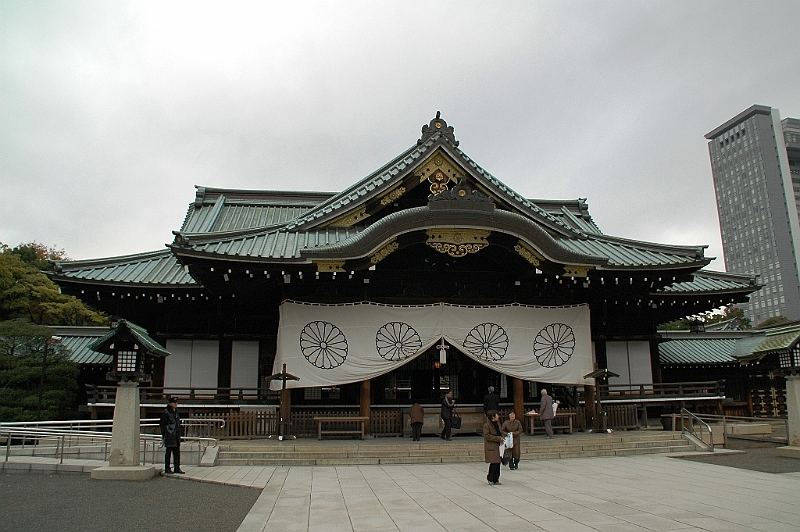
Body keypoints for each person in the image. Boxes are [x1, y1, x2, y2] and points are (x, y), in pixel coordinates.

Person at [160, 396, 184, 474]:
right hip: (169, 433)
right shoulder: (166, 412)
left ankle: (177, 467)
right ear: (170, 403)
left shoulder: (176, 411)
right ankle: (167, 468)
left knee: (177, 452)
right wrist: (164, 434)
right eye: (174, 403)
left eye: (176, 403)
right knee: (168, 452)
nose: (176, 404)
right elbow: (162, 424)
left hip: (176, 433)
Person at [482, 410, 504, 484]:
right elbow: (487, 436)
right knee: (494, 463)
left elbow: (501, 432)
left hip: (499, 446)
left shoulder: (498, 424)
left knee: (498, 463)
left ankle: (496, 479)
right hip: (492, 446)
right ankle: (490, 478)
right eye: (497, 415)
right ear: (492, 417)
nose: (498, 416)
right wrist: (498, 438)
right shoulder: (486, 426)